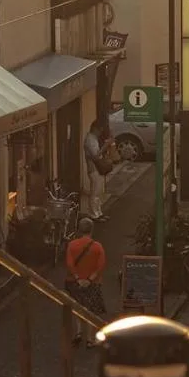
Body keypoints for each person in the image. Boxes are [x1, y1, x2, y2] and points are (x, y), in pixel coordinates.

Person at [65, 217, 107, 348]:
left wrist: (78, 278)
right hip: (93, 283)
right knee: (91, 309)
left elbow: (69, 264)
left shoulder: (72, 245)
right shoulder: (97, 247)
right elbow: (101, 265)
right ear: (92, 230)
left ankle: (78, 331)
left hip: (74, 282)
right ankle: (89, 339)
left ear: (79, 230)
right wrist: (90, 279)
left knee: (77, 306)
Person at [84, 119, 110, 222]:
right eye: (99, 130)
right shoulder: (90, 139)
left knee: (99, 191)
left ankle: (99, 213)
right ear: (95, 129)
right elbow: (95, 156)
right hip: (94, 169)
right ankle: (94, 214)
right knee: (95, 192)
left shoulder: (93, 138)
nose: (100, 132)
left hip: (97, 169)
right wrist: (105, 146)